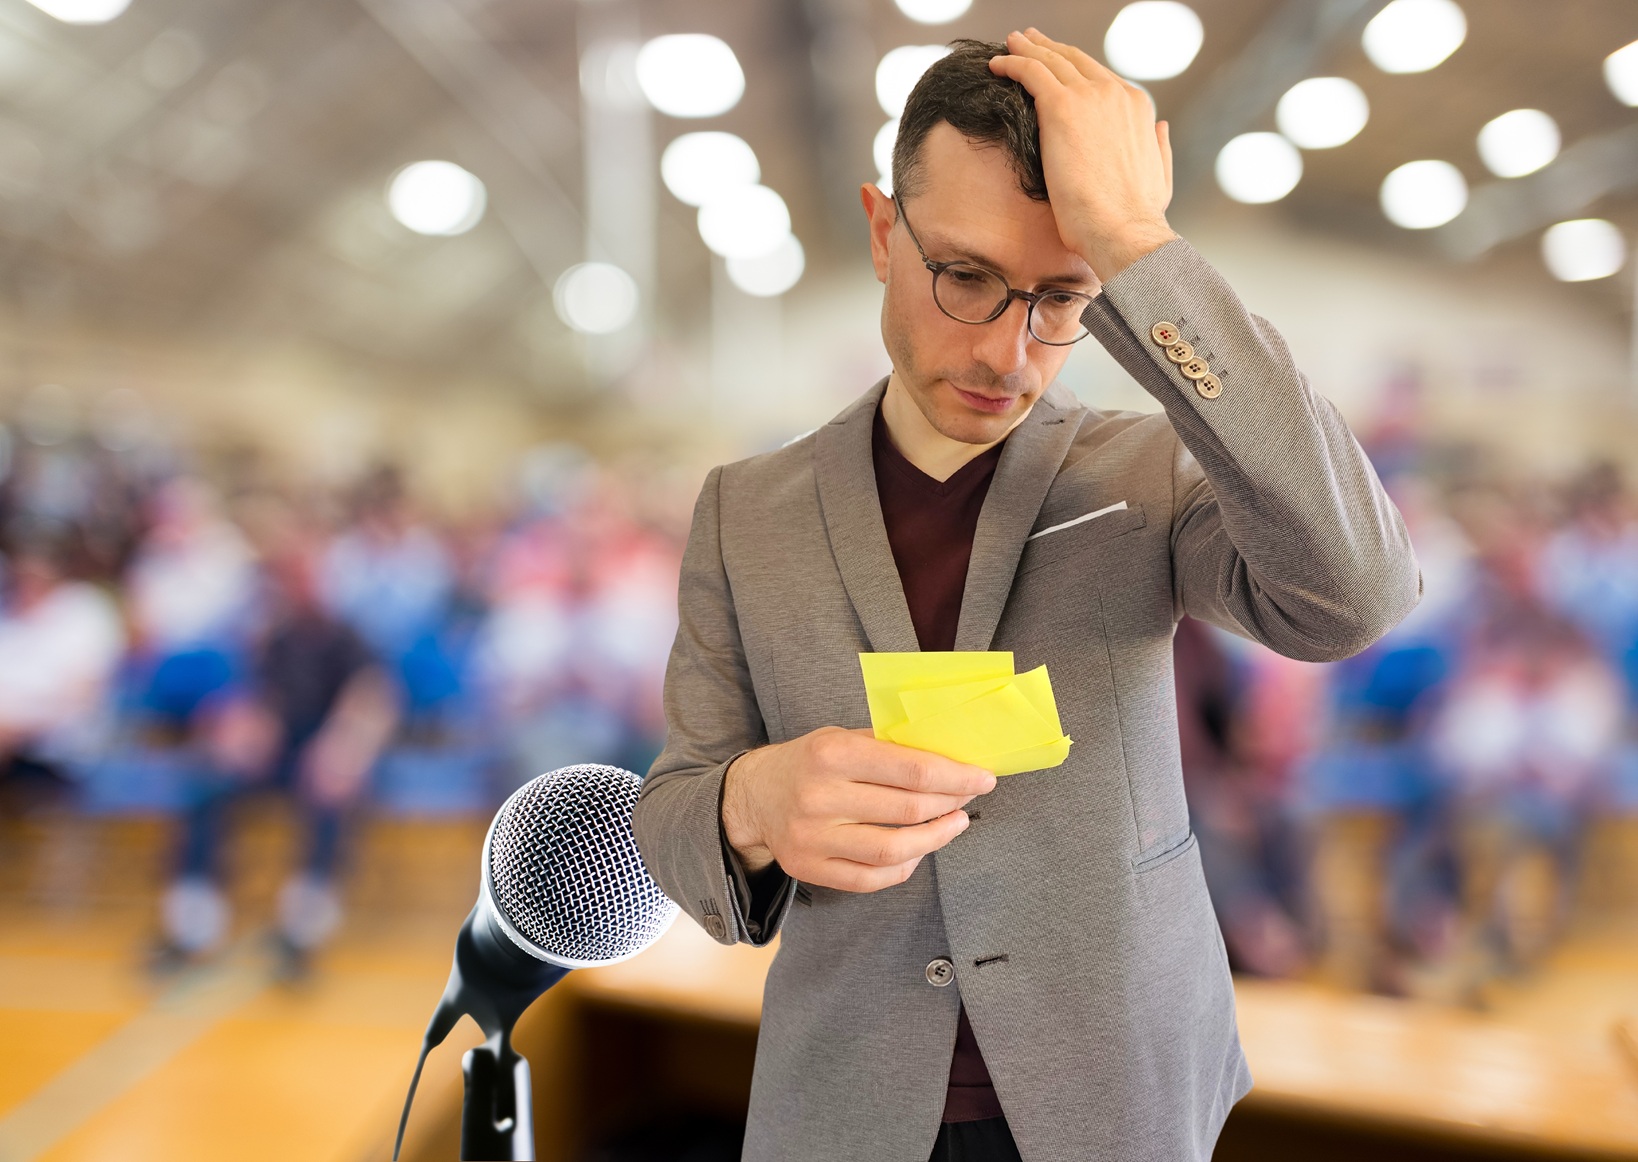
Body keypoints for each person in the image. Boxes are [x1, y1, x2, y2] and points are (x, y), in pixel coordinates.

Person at [633, 30, 1421, 1162]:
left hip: (1117, 1089)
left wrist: (1141, 249)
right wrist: (751, 803)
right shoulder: (743, 509)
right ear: (879, 230)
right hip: (852, 1099)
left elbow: (1355, 591)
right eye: (965, 276)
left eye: (1064, 298)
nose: (1009, 350)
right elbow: (670, 809)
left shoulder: (1147, 471)